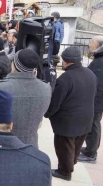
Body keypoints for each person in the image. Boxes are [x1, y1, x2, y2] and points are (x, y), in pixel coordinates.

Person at [45, 46, 97, 181]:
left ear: (66, 61)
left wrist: (48, 113)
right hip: (86, 117)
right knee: (76, 144)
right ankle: (70, 163)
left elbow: (56, 101)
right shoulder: (90, 73)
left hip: (68, 120)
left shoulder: (65, 78)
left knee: (64, 147)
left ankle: (65, 171)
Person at [0, 49, 52, 147]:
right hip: (31, 145)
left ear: (15, 65)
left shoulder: (0, 88)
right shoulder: (46, 88)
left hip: (5, 145)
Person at [78, 36, 103, 163]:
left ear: (98, 46)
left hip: (97, 100)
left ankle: (91, 154)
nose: (89, 45)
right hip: (96, 99)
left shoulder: (100, 61)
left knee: (93, 125)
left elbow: (98, 84)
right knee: (93, 124)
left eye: (91, 43)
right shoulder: (98, 59)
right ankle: (90, 149)